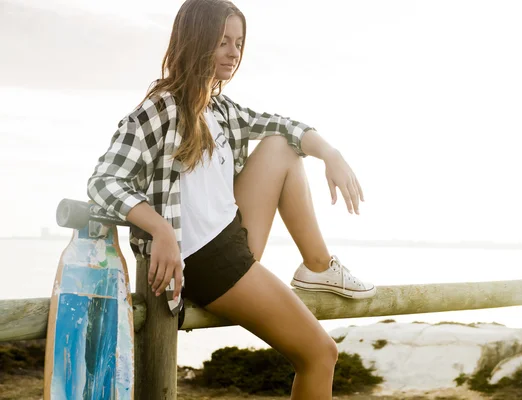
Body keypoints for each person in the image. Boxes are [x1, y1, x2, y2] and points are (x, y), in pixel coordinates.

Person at [87, 0, 376, 397]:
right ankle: (316, 267)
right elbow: (104, 182)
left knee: (280, 145)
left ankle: (317, 266)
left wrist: (331, 154)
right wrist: (161, 231)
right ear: (195, 41)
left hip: (232, 239)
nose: (233, 52)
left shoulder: (220, 109)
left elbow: (285, 127)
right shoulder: (160, 109)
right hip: (204, 262)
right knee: (320, 353)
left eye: (238, 43)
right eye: (222, 41)